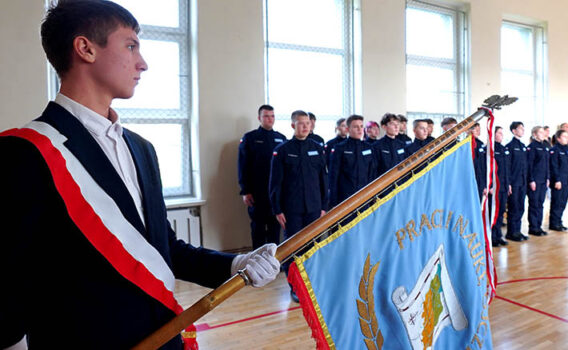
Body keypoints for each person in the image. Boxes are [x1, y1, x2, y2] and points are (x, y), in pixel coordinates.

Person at [1, 2, 280, 348]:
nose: (142, 63)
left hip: (162, 337)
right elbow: (7, 277)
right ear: (85, 48)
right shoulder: (25, 151)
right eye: (130, 45)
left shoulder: (141, 149)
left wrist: (236, 262)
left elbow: (165, 250)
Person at [270, 110, 328, 301]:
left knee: (313, 247)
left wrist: (323, 206)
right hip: (291, 209)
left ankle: (313, 284)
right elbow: (275, 183)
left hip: (314, 207)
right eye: (301, 123)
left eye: (308, 123)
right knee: (293, 248)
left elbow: (323, 180)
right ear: (293, 125)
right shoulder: (283, 150)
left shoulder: (317, 148)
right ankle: (295, 287)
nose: (305, 126)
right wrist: (277, 209)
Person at [238, 105, 287, 248]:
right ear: (259, 118)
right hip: (257, 192)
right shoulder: (250, 138)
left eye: (272, 116)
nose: (270, 119)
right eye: (266, 116)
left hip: (276, 193)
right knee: (258, 228)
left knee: (274, 228)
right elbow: (243, 166)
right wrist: (245, 190)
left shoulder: (281, 138)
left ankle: (272, 263)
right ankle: (258, 263)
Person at [328, 115, 376, 207]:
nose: (359, 129)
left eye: (361, 126)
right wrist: (333, 202)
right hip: (345, 198)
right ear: (347, 129)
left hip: (365, 196)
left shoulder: (369, 148)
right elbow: (334, 176)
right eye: (355, 127)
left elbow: (372, 174)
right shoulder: (340, 148)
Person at [505, 122, 529, 242]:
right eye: (520, 128)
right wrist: (508, 183)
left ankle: (518, 231)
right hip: (514, 182)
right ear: (514, 131)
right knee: (513, 207)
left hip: (522, 182)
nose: (523, 130)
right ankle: (511, 232)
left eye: (523, 128)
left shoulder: (523, 146)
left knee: (521, 207)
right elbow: (508, 167)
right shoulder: (510, 146)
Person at [527, 126, 550, 236]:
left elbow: (546, 164)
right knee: (534, 204)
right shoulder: (532, 147)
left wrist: (548, 178)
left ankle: (539, 226)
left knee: (540, 204)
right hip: (535, 180)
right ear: (534, 134)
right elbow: (530, 165)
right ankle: (533, 227)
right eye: (540, 132)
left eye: (543, 132)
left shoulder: (545, 146)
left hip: (543, 180)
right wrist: (531, 180)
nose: (543, 133)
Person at [548, 130, 568, 231]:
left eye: (567, 137)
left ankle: (559, 221)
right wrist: (557, 180)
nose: (566, 139)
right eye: (564, 137)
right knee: (557, 202)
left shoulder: (567, 149)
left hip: (566, 179)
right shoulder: (555, 150)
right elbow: (554, 166)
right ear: (558, 138)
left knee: (563, 202)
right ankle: (554, 223)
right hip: (559, 180)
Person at [492, 127, 510, 246]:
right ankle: (493, 237)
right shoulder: (490, 149)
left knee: (501, 211)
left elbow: (507, 169)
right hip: (495, 186)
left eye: (502, 133)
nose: (501, 135)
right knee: (494, 212)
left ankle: (499, 235)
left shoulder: (504, 149)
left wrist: (508, 184)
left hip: (504, 185)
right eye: (499, 133)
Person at [470, 124, 488, 198]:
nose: (478, 132)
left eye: (479, 130)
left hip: (480, 179)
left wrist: (484, 184)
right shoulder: (466, 143)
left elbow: (483, 165)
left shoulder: (481, 144)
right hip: (470, 178)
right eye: (476, 130)